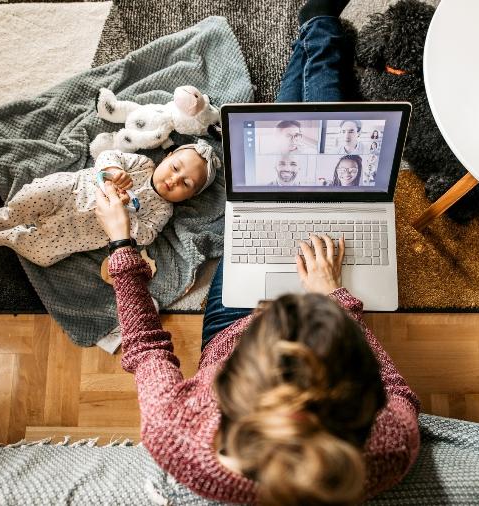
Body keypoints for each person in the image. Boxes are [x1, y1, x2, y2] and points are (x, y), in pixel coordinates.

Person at [95, 2, 420, 504]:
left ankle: (315, 27)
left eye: (268, 319)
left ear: (225, 391)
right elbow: (396, 392)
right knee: (314, 141)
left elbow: (144, 348)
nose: (272, 305)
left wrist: (121, 242)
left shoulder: (176, 438)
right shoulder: (389, 450)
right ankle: (318, 27)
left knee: (276, 163)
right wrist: (337, 302)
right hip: (323, 309)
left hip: (229, 326)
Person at [0, 142, 218, 267]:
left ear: (188, 197)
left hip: (78, 233)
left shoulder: (162, 210)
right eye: (175, 168)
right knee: (35, 194)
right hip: (71, 192)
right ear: (167, 157)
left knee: (42, 254)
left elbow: (145, 236)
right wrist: (114, 172)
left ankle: (10, 237)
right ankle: (6, 217)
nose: (174, 179)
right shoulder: (142, 165)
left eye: (185, 184)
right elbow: (106, 156)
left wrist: (125, 213)